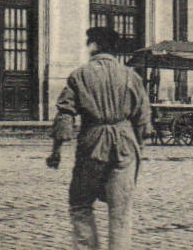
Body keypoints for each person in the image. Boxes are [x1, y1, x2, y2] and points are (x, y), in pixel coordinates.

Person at [45, 25, 152, 250]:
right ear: (115, 49)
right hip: (126, 143)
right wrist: (137, 148)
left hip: (92, 143)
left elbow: (65, 115)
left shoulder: (80, 75)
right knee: (120, 211)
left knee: (80, 204)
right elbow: (143, 121)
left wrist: (56, 152)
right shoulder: (131, 76)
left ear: (93, 46)